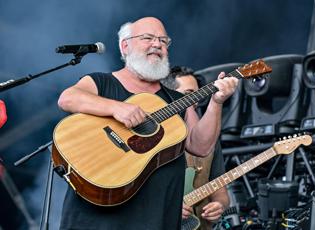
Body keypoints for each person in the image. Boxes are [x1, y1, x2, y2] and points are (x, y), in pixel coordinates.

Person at [57, 17, 238, 230]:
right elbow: (67, 99)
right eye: (147, 38)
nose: (157, 44)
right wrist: (116, 108)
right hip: (96, 217)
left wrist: (216, 103)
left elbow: (201, 145)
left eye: (163, 41)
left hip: (156, 218)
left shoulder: (177, 100)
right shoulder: (101, 82)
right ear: (125, 46)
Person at [162, 66, 230, 230]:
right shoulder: (152, 136)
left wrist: (220, 205)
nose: (196, 100)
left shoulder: (209, 137)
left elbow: (220, 189)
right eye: (188, 94)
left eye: (198, 94)